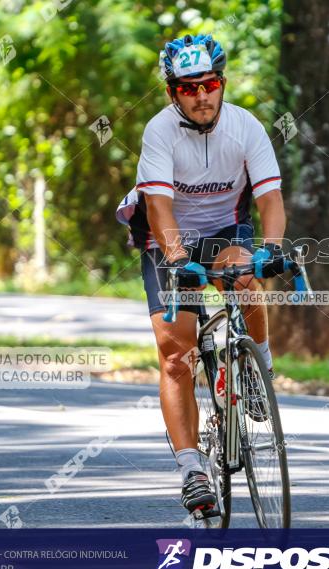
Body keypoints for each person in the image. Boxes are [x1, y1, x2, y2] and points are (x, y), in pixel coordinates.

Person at [115, 33, 287, 516]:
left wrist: (270, 250)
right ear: (173, 93)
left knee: (245, 275)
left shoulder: (246, 126)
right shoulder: (159, 132)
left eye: (209, 84)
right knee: (176, 355)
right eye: (189, 88)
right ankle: (191, 469)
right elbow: (159, 205)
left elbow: (270, 199)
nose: (202, 95)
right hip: (165, 235)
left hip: (224, 227)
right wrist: (175, 259)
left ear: (222, 83)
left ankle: (260, 369)